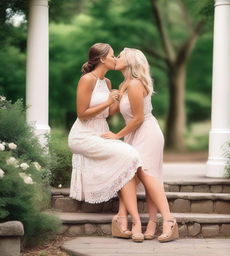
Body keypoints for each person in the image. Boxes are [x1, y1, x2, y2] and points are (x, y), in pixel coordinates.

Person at [68, 43, 144, 242]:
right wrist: (108, 102)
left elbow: (108, 113)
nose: (116, 59)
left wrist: (120, 95)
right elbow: (82, 114)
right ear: (102, 59)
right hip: (83, 135)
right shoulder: (87, 80)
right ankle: (130, 220)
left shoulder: (108, 82)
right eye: (112, 56)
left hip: (101, 131)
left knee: (128, 160)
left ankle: (130, 221)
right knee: (130, 154)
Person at [102, 48, 179, 243]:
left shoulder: (136, 84)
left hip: (147, 133)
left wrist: (116, 136)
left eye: (120, 56)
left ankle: (169, 221)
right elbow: (113, 113)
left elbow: (137, 119)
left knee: (146, 174)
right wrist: (112, 96)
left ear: (130, 61)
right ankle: (143, 222)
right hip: (133, 134)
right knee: (131, 175)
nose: (116, 59)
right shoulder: (124, 83)